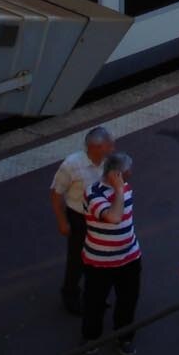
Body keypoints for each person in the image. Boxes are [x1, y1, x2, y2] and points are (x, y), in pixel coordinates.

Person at [80, 151, 141, 355]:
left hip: (129, 258)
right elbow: (114, 217)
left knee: (128, 300)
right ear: (116, 174)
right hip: (100, 262)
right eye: (127, 170)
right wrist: (118, 191)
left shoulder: (124, 188)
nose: (131, 173)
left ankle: (124, 336)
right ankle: (91, 336)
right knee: (94, 301)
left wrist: (120, 190)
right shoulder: (93, 193)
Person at [51, 126, 114, 315]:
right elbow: (56, 194)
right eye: (108, 145)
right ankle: (70, 294)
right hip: (79, 218)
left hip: (101, 215)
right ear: (95, 148)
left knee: (100, 258)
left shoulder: (109, 161)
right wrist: (62, 222)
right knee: (77, 260)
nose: (112, 148)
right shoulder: (72, 165)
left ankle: (94, 295)